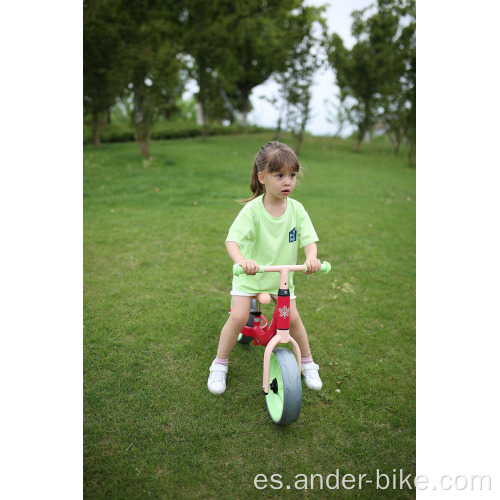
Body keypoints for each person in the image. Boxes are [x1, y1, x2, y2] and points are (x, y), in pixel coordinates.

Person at [207, 141, 323, 395]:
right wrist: (242, 262)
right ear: (262, 177)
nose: (288, 181)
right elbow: (232, 241)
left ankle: (307, 362)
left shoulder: (297, 210)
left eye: (292, 175)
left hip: (280, 279)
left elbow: (309, 241)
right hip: (251, 276)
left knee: (293, 319)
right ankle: (219, 364)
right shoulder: (252, 210)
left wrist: (311, 258)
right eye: (279, 175)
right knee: (237, 317)